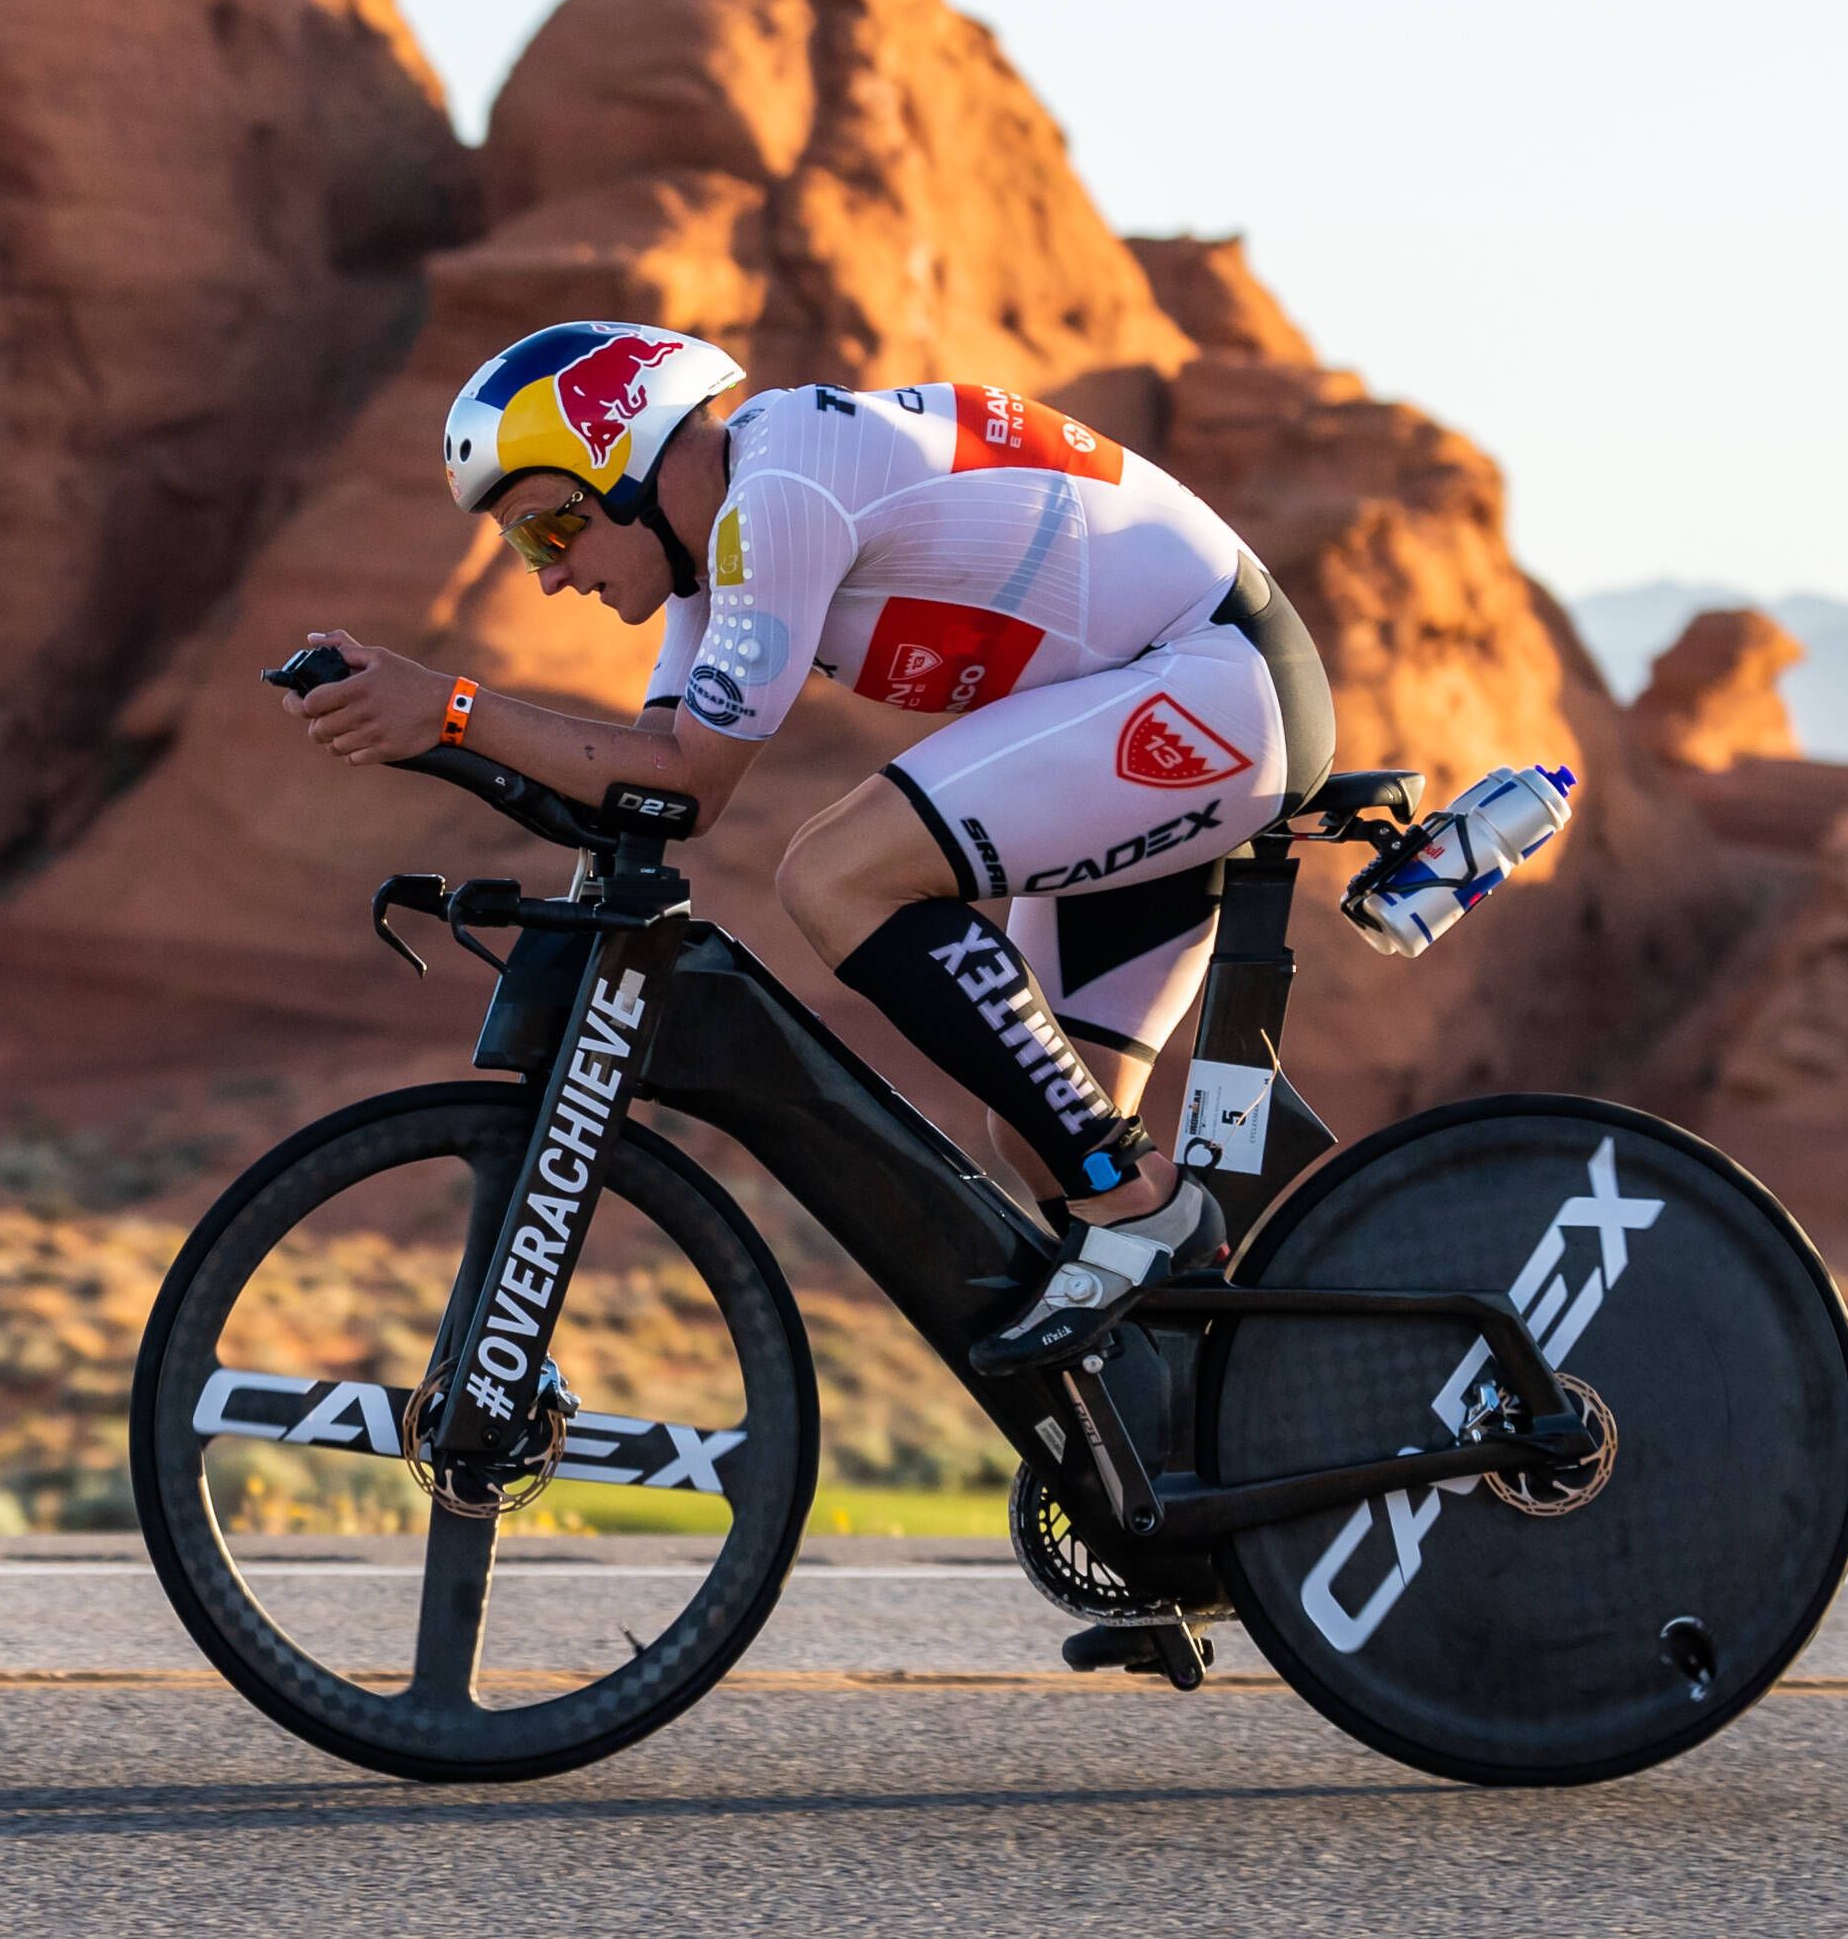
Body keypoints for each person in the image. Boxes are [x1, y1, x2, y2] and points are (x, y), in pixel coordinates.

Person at [283, 320, 1334, 1376]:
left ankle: (1143, 1211)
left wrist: (453, 710)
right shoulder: (718, 547)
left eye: (548, 532)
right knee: (1036, 1132)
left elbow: (691, 779)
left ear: (619, 459)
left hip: (1212, 684)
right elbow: (646, 775)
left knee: (836, 873)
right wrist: (423, 730)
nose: (549, 576)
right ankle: (1216, 1432)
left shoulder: (778, 499)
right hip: (1164, 693)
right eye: (524, 549)